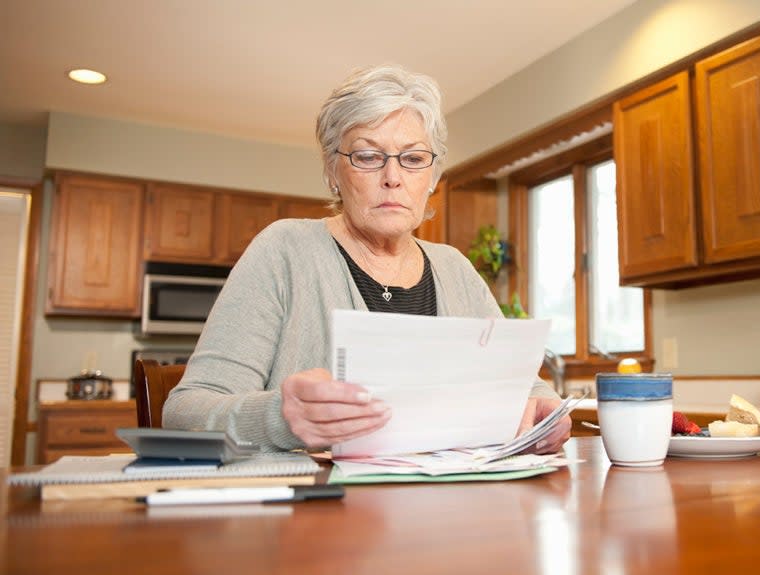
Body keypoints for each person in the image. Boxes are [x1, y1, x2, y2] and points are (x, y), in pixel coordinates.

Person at [163, 64, 571, 454]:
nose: (393, 176)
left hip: (444, 512)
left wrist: (544, 412)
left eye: (412, 159)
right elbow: (184, 411)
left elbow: (524, 389)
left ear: (432, 178)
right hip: (316, 517)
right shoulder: (284, 250)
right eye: (368, 156)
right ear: (332, 171)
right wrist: (280, 417)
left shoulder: (455, 269)